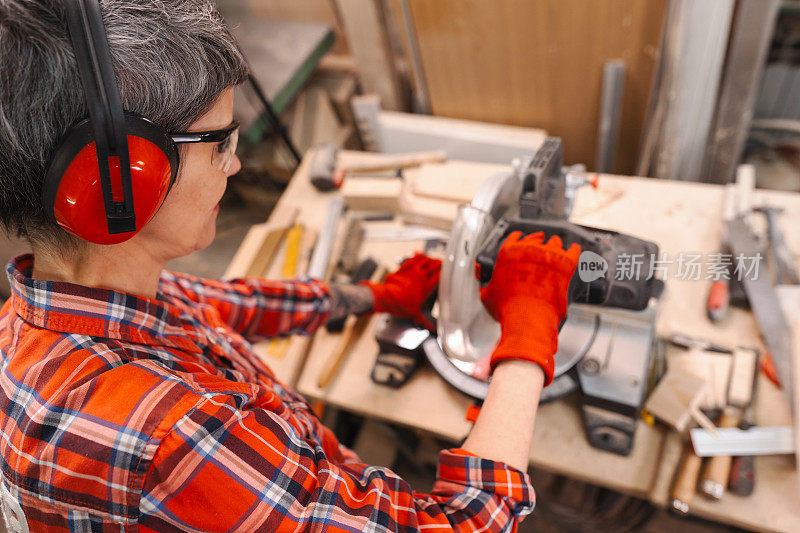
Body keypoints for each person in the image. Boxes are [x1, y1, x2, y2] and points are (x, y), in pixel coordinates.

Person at [0, 1, 580, 531]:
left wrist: (370, 298)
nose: (235, 165)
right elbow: (462, 524)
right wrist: (530, 334)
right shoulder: (169, 436)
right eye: (219, 144)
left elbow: (222, 307)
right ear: (117, 184)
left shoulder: (73, 301)